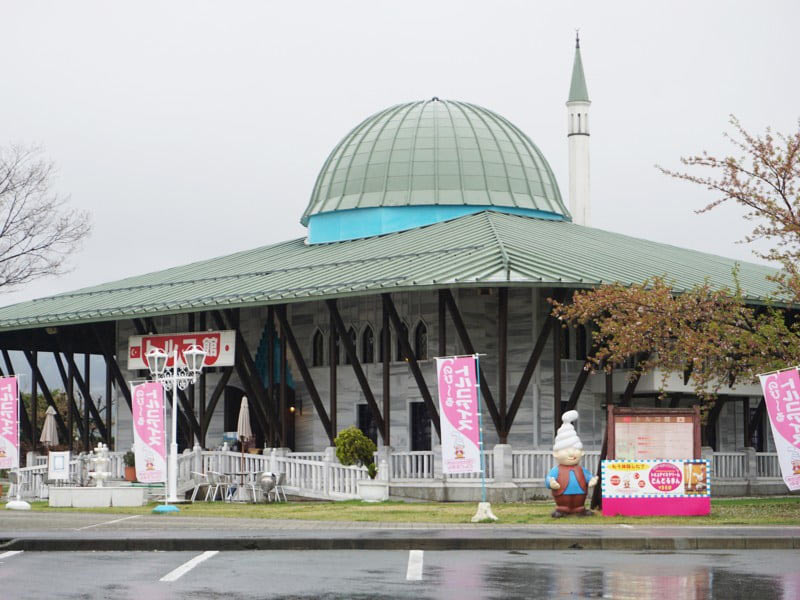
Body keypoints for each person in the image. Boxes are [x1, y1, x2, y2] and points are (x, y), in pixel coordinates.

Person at [546, 410, 598, 517]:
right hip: (562, 494)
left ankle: (579, 509)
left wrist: (591, 479)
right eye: (566, 451)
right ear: (556, 453)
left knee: (579, 503)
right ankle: (562, 509)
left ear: (581, 452)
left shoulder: (580, 469)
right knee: (563, 503)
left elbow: (587, 476)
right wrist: (551, 482)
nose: (571, 454)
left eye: (575, 450)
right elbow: (549, 478)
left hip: (580, 494)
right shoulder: (557, 470)